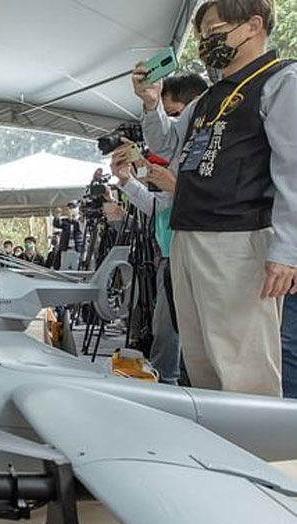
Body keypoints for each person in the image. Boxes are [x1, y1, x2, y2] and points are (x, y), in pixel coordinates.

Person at [133, 0, 297, 395]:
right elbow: (167, 144)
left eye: (214, 31)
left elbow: (292, 167)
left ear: (253, 25)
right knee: (201, 360)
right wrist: (152, 103)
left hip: (238, 237)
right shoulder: (207, 99)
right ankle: (214, 431)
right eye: (203, 34)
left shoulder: (280, 82)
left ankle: (256, 436)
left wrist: (287, 250)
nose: (207, 41)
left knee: (243, 366)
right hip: (189, 234)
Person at [112, 73, 209, 385]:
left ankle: (177, 386)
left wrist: (175, 186)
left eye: (174, 116)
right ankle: (170, 385)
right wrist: (127, 181)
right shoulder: (179, 158)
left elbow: (217, 202)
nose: (171, 128)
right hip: (169, 254)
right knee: (167, 330)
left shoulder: (211, 152)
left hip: (201, 256)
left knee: (185, 337)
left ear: (196, 109)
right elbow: (158, 206)